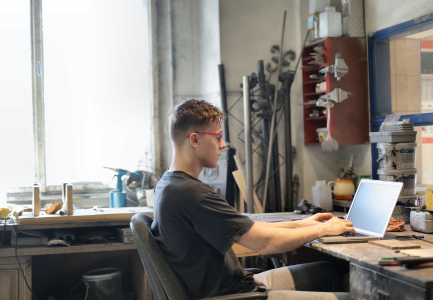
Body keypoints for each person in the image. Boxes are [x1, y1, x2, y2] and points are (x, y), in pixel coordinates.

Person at [151, 99, 355, 300]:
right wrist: (323, 230)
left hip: (239, 285)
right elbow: (266, 244)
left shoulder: (169, 184)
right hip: (238, 296)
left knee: (328, 272)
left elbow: (250, 229)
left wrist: (302, 224)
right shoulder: (192, 194)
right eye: (217, 137)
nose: (222, 145)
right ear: (194, 140)